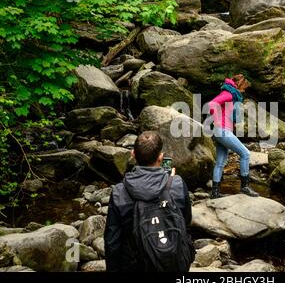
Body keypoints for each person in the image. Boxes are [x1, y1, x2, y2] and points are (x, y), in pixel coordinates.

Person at [104, 131, 192, 272]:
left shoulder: (119, 192)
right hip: (173, 261)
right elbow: (186, 223)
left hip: (135, 266)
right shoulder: (177, 184)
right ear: (161, 157)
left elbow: (112, 241)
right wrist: (170, 182)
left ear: (133, 154)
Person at [208, 74, 259, 199]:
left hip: (221, 130)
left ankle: (215, 193)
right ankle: (245, 187)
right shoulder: (229, 94)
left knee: (220, 162)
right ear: (239, 85)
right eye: (244, 87)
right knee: (245, 154)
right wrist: (217, 120)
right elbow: (212, 104)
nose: (245, 90)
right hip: (222, 130)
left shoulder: (228, 93)